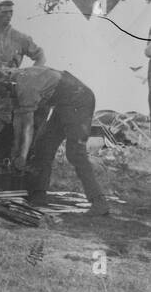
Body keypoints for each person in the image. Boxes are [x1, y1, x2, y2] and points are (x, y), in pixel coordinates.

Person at [8, 66, 110, 216]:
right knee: (43, 147)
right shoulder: (20, 79)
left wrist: (22, 157)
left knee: (75, 153)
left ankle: (99, 202)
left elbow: (28, 126)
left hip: (79, 100)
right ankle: (38, 194)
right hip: (63, 103)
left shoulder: (26, 85)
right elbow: (30, 121)